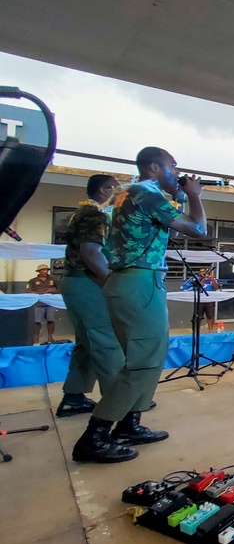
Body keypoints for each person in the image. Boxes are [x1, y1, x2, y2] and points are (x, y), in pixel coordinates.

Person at [72, 147, 208, 464]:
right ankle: (95, 436)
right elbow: (199, 230)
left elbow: (169, 219)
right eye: (173, 167)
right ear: (154, 168)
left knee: (146, 356)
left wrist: (181, 194)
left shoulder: (126, 194)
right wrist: (196, 195)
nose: (178, 173)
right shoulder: (144, 192)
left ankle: (130, 424)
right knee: (144, 361)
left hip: (131, 281)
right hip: (139, 281)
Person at [56, 174, 125, 418]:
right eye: (114, 189)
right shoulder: (95, 214)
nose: (117, 194)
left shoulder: (84, 212)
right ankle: (120, 402)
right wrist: (112, 282)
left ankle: (74, 397)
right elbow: (91, 252)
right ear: (103, 190)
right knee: (106, 341)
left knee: (87, 343)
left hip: (76, 282)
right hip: (86, 283)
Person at [27, 264, 58, 344]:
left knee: (50, 320)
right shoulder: (33, 281)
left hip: (50, 303)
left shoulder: (53, 279)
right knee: (37, 322)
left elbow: (59, 288)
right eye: (43, 270)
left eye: (47, 270)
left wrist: (54, 291)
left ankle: (50, 337)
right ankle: (36, 338)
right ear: (39, 271)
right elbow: (29, 291)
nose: (46, 271)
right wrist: (43, 292)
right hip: (39, 304)